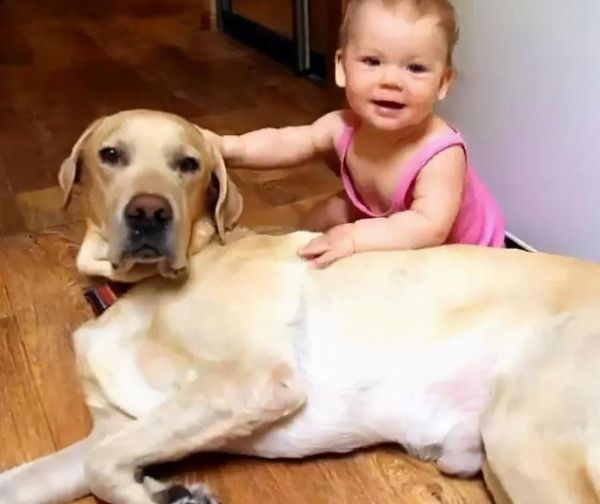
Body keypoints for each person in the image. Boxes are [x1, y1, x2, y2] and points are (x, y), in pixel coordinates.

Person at [212, 0, 505, 268]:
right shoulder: (342, 126)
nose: (391, 80)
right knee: (330, 212)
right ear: (341, 67)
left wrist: (354, 238)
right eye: (372, 62)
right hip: (386, 221)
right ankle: (296, 259)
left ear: (442, 82)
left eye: (415, 68)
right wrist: (228, 147)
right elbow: (287, 141)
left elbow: (428, 226)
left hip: (462, 258)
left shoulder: (440, 153)